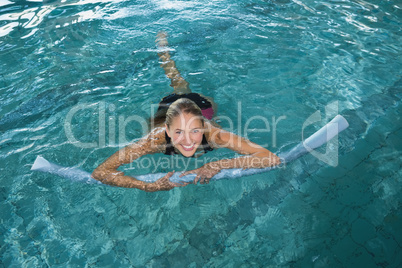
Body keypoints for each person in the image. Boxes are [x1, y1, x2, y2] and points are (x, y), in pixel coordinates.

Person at [92, 32, 281, 192]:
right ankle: (163, 53)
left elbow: (270, 158)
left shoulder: (215, 135)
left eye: (195, 131)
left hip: (202, 107)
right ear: (167, 131)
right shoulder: (153, 141)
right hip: (168, 107)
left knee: (183, 87)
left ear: (203, 127)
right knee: (177, 82)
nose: (188, 141)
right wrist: (146, 186)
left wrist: (216, 165)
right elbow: (101, 172)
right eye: (178, 133)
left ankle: (166, 53)